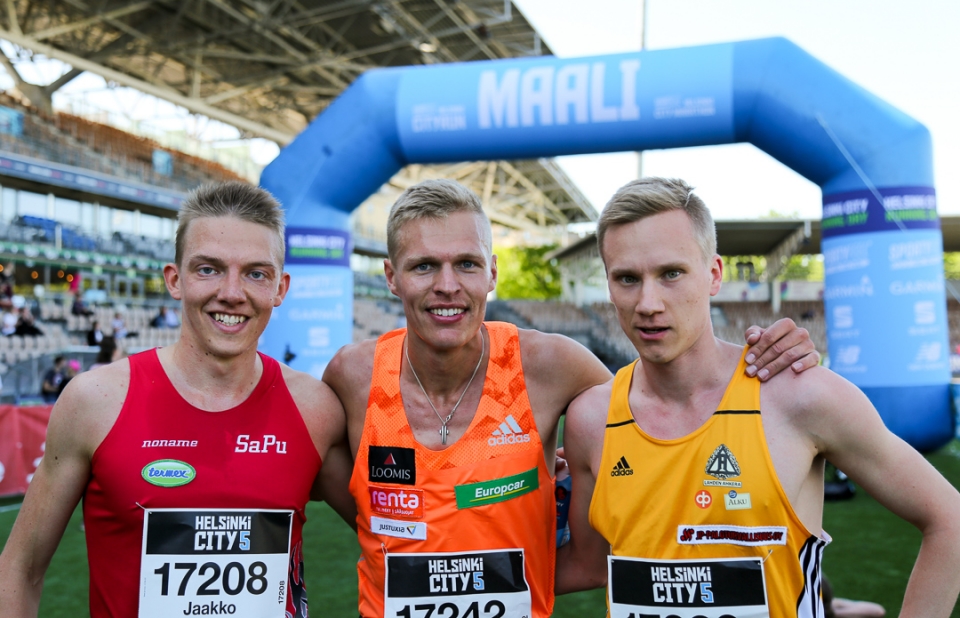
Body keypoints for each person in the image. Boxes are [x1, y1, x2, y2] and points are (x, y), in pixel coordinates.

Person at [320, 179, 820, 618]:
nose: (446, 286)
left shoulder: (549, 366)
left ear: (492, 273)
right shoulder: (353, 376)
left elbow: (656, 417)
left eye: (466, 264)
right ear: (390, 277)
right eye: (424, 266)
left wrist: (773, 354)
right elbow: (354, 504)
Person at [558, 178, 960, 616]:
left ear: (713, 275)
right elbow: (587, 565)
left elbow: (950, 521)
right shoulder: (591, 419)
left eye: (671, 273)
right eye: (627, 279)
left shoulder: (799, 394)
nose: (648, 302)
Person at [0, 181, 346, 618]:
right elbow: (19, 568)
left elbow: (405, 531)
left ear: (280, 288)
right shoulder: (96, 401)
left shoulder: (315, 409)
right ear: (174, 279)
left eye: (256, 273)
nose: (232, 293)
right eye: (208, 269)